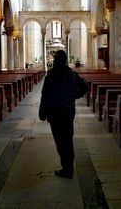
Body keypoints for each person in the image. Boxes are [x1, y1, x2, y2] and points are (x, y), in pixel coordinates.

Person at [39, 50, 89, 179]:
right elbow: (85, 88)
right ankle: (69, 168)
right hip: (68, 111)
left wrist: (42, 112)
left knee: (60, 141)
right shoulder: (71, 74)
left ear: (56, 61)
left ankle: (66, 169)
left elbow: (45, 95)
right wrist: (74, 96)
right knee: (67, 139)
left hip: (54, 112)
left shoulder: (51, 75)